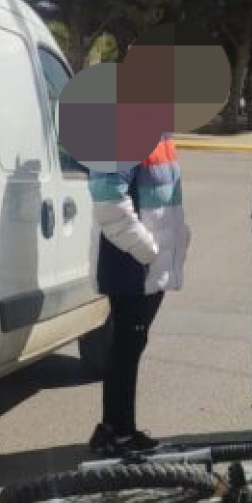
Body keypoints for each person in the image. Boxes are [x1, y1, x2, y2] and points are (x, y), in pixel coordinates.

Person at [87, 135, 190, 457]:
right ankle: (116, 433)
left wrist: (174, 242)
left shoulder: (160, 133)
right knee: (126, 344)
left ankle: (118, 429)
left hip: (147, 265)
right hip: (131, 264)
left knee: (131, 345)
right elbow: (108, 202)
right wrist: (146, 249)